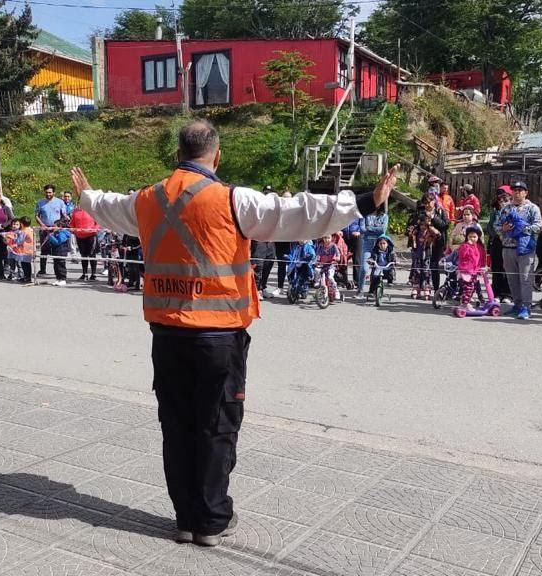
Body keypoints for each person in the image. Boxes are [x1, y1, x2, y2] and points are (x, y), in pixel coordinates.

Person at [72, 119, 398, 548]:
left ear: (177, 155)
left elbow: (108, 207)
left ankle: (186, 518)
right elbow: (297, 213)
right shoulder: (232, 199)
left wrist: (86, 196)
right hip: (218, 337)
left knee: (177, 425)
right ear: (217, 155)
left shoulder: (147, 200)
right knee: (216, 426)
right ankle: (211, 519)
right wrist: (363, 202)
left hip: (166, 335)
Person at [495, 181, 542, 319]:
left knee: (526, 279)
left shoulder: (532, 208)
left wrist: (523, 229)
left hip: (526, 249)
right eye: (515, 190)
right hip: (508, 247)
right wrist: (502, 229)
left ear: (526, 192)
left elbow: (538, 226)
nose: (517, 192)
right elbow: (496, 226)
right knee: (512, 279)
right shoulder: (506, 209)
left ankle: (526, 307)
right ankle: (517, 304)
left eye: (520, 190)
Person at [35, 184, 68, 277]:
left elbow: (64, 216)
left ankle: (57, 271)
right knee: (44, 250)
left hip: (56, 230)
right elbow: (37, 215)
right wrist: (42, 225)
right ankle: (42, 270)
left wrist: (58, 225)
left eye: (50, 192)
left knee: (56, 250)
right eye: (46, 192)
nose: (48, 194)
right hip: (45, 229)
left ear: (54, 193)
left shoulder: (60, 202)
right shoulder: (40, 203)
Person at [486, 188, 512, 301]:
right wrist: (496, 235)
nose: (502, 202)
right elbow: (489, 227)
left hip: (509, 242)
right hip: (497, 241)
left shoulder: (513, 212)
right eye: (500, 200)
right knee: (496, 268)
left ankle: (507, 294)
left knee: (508, 269)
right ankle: (495, 293)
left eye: (505, 200)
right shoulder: (495, 212)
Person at [357, 205, 389, 298]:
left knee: (377, 270)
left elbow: (383, 229)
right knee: (364, 269)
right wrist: (375, 230)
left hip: (379, 246)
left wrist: (370, 228)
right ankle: (360, 290)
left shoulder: (384, 216)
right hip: (367, 245)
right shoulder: (365, 216)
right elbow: (362, 229)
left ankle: (375, 290)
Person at [456, 226, 485, 311]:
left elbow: (482, 258)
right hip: (466, 271)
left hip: (475, 271)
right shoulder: (464, 246)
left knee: (472, 288)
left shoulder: (480, 247)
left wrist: (483, 266)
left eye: (474, 237)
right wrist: (468, 245)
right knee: (468, 289)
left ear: (478, 237)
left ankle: (466, 303)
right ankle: (465, 304)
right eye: (470, 236)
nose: (472, 238)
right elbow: (462, 255)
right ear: (467, 237)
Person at [70, 202, 101, 281]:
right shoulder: (75, 211)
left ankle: (93, 274)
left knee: (92, 255)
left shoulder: (92, 210)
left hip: (91, 235)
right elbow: (72, 224)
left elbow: (98, 223)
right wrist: (74, 231)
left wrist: (94, 230)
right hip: (80, 236)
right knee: (83, 255)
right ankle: (85, 274)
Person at [5, 217, 35, 283]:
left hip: (24, 250)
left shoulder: (24, 231)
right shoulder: (31, 230)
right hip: (30, 249)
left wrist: (12, 238)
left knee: (24, 265)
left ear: (22, 224)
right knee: (27, 264)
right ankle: (27, 277)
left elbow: (20, 241)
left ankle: (27, 278)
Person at [45, 215, 72, 286]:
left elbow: (58, 242)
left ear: (60, 227)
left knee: (61, 265)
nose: (53, 228)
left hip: (61, 251)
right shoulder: (56, 233)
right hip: (56, 252)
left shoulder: (63, 233)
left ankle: (63, 279)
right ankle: (58, 278)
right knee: (56, 265)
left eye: (55, 226)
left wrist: (51, 237)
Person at [342, 215, 364, 296]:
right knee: (343, 259)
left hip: (357, 236)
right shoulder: (343, 210)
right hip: (344, 236)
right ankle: (343, 280)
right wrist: (338, 230)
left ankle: (357, 281)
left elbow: (363, 225)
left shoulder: (359, 211)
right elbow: (337, 223)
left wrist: (360, 231)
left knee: (357, 259)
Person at [315, 234, 342, 302]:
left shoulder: (333, 245)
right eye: (325, 238)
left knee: (330, 277)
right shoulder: (321, 245)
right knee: (317, 270)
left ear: (331, 238)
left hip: (331, 264)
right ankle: (318, 282)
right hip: (323, 264)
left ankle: (336, 290)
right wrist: (316, 260)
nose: (326, 239)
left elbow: (338, 253)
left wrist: (337, 258)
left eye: (328, 238)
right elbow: (317, 254)